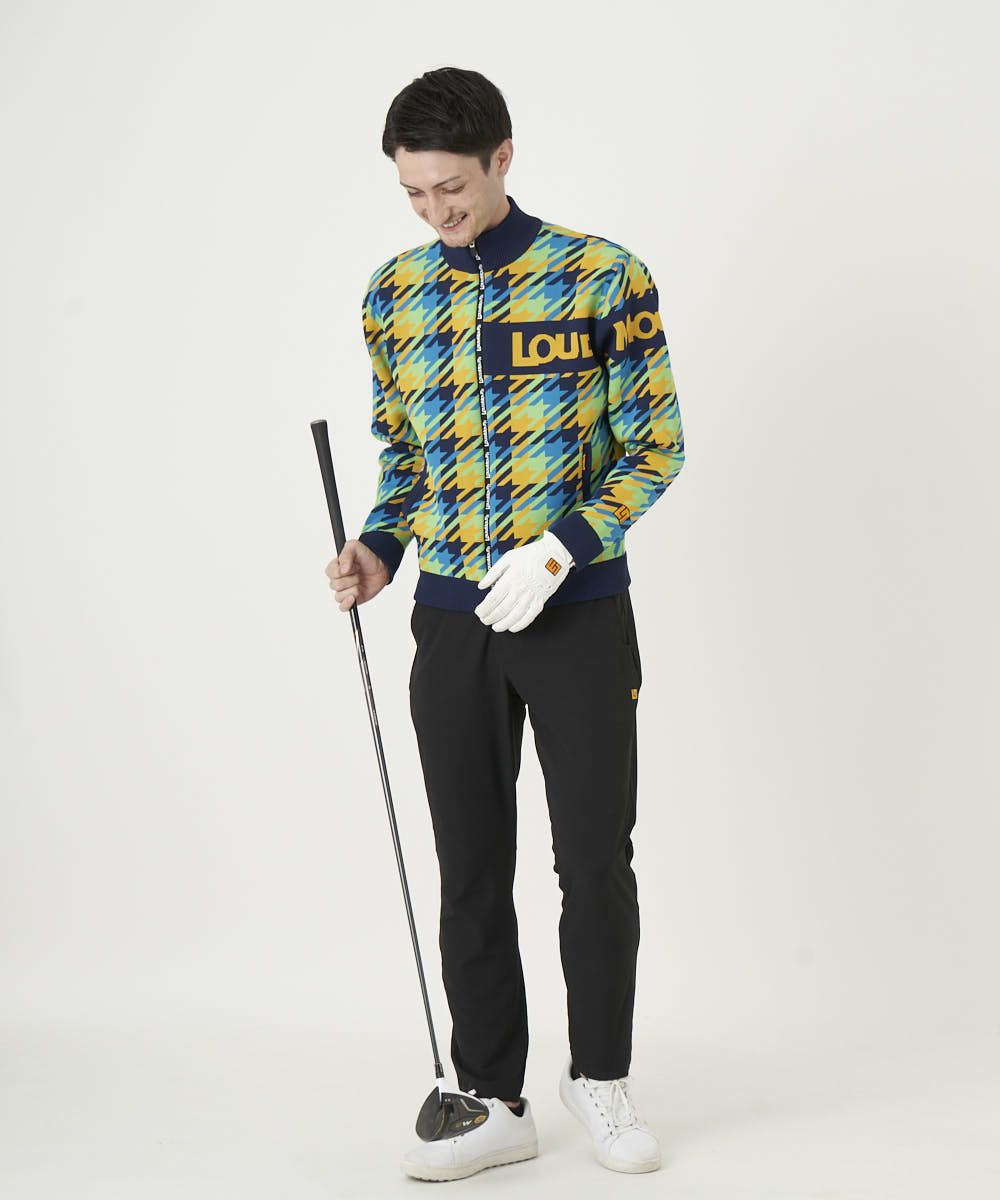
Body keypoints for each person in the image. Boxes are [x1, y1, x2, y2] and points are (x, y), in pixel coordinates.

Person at [326, 66, 685, 1181]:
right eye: (414, 194)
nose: (435, 211)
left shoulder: (602, 276)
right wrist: (380, 548)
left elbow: (656, 446)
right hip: (454, 624)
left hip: (576, 616)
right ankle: (492, 1094)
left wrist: (561, 547)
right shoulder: (394, 295)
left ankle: (602, 1077)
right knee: (470, 864)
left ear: (502, 158)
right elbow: (404, 455)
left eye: (452, 188)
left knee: (595, 860)